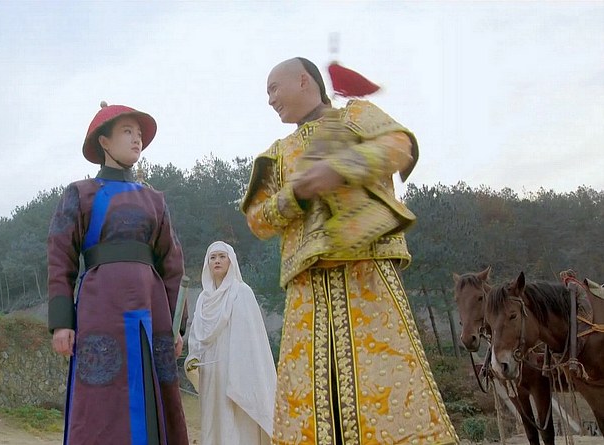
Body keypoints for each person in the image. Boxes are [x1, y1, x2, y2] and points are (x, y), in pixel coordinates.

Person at [240, 58, 459, 445]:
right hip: (307, 290)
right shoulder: (277, 154)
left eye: (273, 88)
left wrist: (343, 168)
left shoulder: (355, 116)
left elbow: (400, 147)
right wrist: (296, 194)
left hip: (367, 272)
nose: (270, 99)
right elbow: (257, 221)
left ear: (304, 80)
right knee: (312, 393)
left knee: (384, 385)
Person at [48, 102, 189, 445]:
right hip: (100, 308)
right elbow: (60, 258)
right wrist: (62, 322)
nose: (137, 139)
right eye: (127, 132)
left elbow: (172, 265)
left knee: (154, 395)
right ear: (104, 142)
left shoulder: (155, 200)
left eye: (139, 134)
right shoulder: (80, 194)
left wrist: (176, 326)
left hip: (152, 310)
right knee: (101, 401)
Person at [185, 241, 275, 445]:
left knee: (236, 420)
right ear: (207, 263)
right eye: (213, 257)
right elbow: (198, 334)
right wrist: (193, 357)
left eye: (221, 256)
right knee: (213, 420)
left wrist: (237, 368)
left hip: (236, 370)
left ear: (231, 261)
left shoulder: (241, 292)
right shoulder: (203, 299)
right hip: (210, 372)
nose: (217, 261)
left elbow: (250, 339)